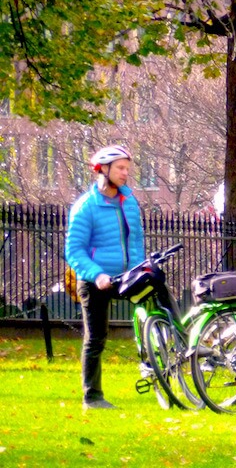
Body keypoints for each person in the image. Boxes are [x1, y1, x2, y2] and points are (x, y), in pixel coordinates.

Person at [65, 145, 145, 410]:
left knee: (158, 298)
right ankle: (93, 396)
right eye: (120, 168)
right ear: (103, 169)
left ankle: (167, 358)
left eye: (127, 169)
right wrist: (96, 274)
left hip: (126, 275)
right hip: (96, 280)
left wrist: (140, 268)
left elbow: (135, 242)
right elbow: (74, 251)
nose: (125, 174)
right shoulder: (86, 206)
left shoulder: (129, 201)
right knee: (96, 337)